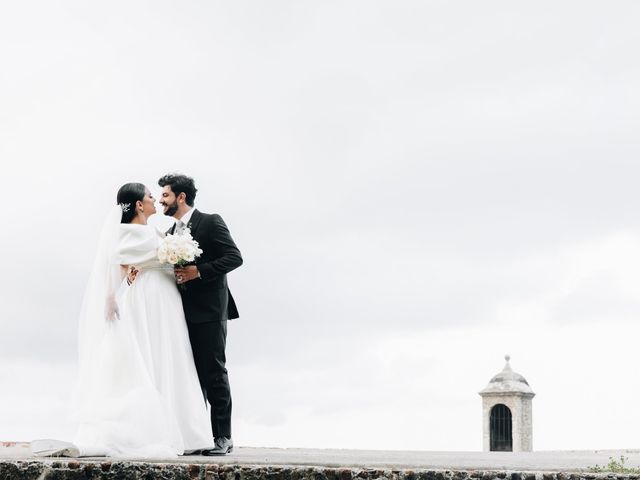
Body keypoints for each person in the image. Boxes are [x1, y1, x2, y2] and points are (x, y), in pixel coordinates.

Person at [69, 182, 214, 458]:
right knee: (151, 354)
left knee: (172, 354)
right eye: (150, 196)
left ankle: (185, 431)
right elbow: (118, 262)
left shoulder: (153, 231)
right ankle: (159, 429)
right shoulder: (127, 233)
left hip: (166, 297)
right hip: (148, 298)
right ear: (138, 204)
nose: (154, 200)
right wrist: (111, 294)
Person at [158, 173, 242, 456]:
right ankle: (198, 436)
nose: (160, 200)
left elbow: (234, 257)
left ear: (181, 197)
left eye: (165, 195)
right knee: (189, 377)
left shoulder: (210, 221)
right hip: (181, 313)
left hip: (210, 311)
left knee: (214, 372)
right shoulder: (170, 234)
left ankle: (223, 437)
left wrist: (198, 271)